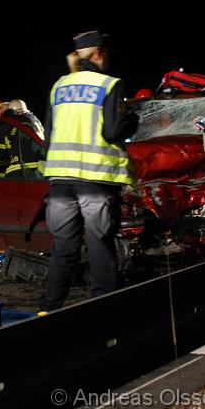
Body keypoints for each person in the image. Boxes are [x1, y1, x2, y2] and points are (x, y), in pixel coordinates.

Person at [38, 30, 139, 312]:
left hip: (60, 181)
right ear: (98, 54)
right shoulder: (109, 84)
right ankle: (105, 307)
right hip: (96, 179)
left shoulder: (59, 86)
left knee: (64, 248)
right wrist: (131, 120)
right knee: (99, 245)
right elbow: (113, 130)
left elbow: (49, 132)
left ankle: (48, 307)